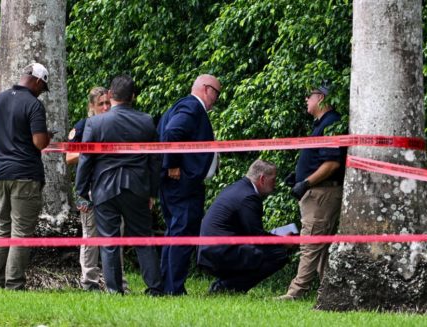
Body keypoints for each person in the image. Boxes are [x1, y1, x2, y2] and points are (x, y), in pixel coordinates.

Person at [75, 75, 162, 295]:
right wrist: (152, 191)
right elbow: (155, 159)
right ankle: (154, 287)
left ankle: (114, 290)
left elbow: (86, 159)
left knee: (109, 240)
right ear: (133, 96)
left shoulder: (95, 122)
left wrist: (81, 192)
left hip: (105, 188)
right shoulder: (146, 121)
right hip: (137, 187)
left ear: (111, 95)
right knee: (144, 238)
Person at [0, 62, 53, 290]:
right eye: (42, 88)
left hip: (0, 173)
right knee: (21, 230)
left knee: (2, 226)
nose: (41, 93)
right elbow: (39, 142)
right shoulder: (33, 105)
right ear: (36, 81)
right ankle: (14, 284)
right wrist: (47, 136)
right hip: (25, 175)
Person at [277, 84, 345, 300]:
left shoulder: (331, 123)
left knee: (310, 244)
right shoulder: (321, 124)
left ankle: (295, 292)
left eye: (310, 95)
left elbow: (332, 164)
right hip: (316, 194)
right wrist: (297, 177)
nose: (306, 99)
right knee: (320, 246)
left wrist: (305, 182)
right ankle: (330, 291)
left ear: (322, 98)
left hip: (321, 194)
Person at [157, 74, 221, 295]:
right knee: (182, 234)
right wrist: (172, 164)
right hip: (182, 183)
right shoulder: (192, 107)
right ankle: (174, 288)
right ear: (206, 89)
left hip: (174, 184)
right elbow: (173, 132)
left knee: (174, 232)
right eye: (217, 93)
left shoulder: (182, 106)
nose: (217, 99)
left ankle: (166, 285)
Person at [197, 159, 289, 294]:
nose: (275, 184)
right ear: (262, 179)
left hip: (210, 251)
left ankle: (225, 284)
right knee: (278, 255)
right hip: (219, 254)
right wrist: (284, 242)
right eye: (273, 179)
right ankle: (226, 287)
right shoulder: (249, 197)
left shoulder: (238, 188)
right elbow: (257, 237)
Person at [66, 87, 111, 291]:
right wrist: (91, 152)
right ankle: (89, 281)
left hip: (112, 188)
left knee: (115, 235)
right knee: (90, 235)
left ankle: (117, 281)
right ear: (91, 106)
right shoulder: (83, 126)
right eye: (101, 104)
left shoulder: (116, 123)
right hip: (90, 188)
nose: (105, 107)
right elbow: (69, 157)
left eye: (108, 103)